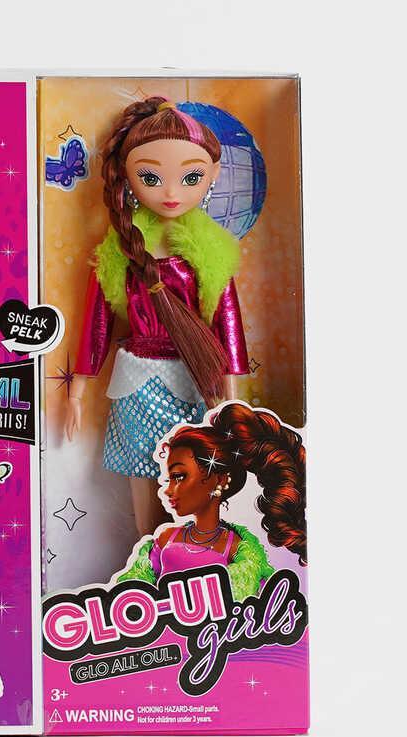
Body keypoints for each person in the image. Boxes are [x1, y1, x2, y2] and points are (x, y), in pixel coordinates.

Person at [65, 97, 249, 539]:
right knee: (141, 474)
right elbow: (97, 322)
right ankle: (146, 547)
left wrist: (232, 398)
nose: (170, 193)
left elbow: (228, 323)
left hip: (194, 376)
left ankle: (186, 548)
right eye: (151, 177)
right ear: (127, 176)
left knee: (191, 475)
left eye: (191, 177)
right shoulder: (121, 248)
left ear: (213, 175)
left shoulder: (209, 251)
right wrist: (77, 389)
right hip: (136, 379)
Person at [113, 402, 306, 602]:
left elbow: (262, 602)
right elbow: (135, 589)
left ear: (219, 479)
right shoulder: (165, 539)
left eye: (179, 476)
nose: (168, 490)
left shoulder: (239, 551)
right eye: (169, 479)